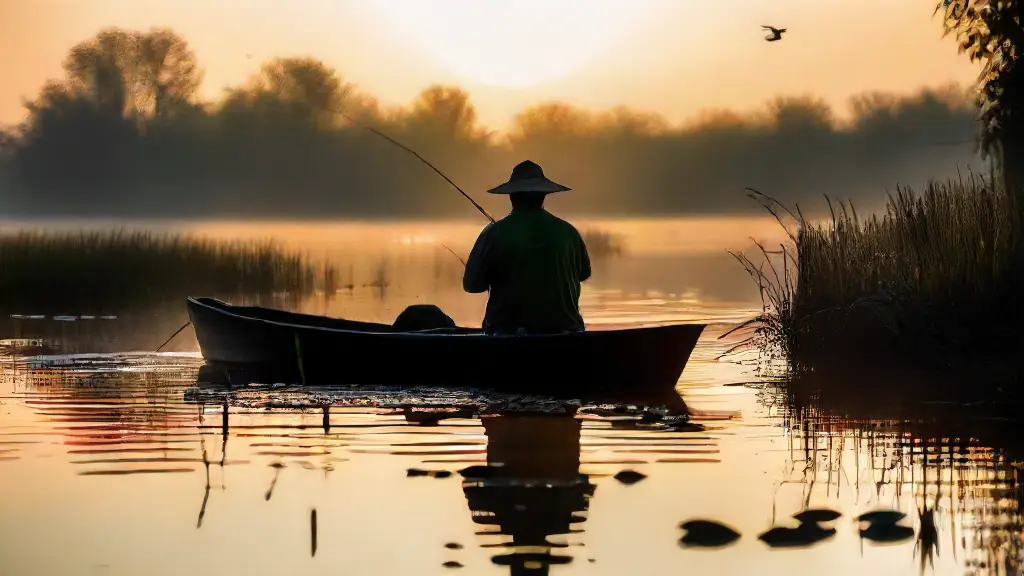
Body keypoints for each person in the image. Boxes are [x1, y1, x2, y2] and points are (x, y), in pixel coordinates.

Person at [463, 160, 591, 334]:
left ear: (511, 196)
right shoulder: (569, 232)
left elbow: (472, 285)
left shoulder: (494, 232)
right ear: (543, 195)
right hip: (567, 330)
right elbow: (584, 273)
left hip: (507, 331)